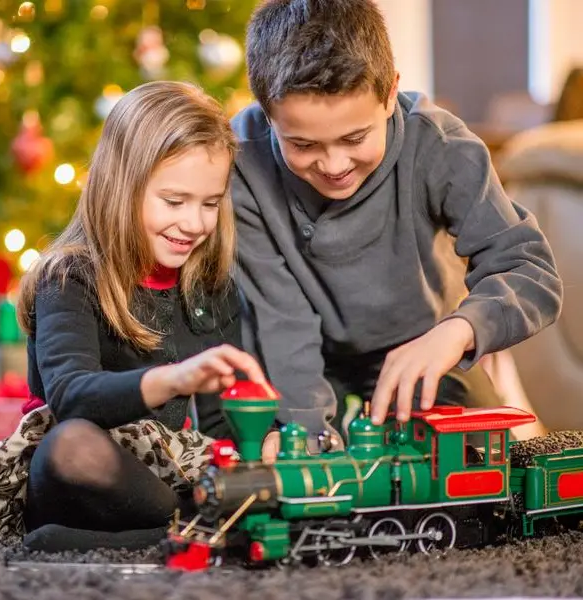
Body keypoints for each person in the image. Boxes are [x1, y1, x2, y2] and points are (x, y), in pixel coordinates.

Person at [229, 0, 563, 460]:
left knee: (480, 469)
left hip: (424, 349)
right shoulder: (242, 161)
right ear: (267, 115)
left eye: (354, 138)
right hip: (289, 361)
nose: (333, 164)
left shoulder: (442, 146)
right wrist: (306, 434)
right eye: (303, 144)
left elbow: (530, 271)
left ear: (390, 94)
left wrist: (459, 330)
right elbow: (281, 316)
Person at [14, 81, 267, 552]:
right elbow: (71, 396)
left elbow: (216, 429)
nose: (194, 223)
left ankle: (150, 534)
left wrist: (261, 443)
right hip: (85, 477)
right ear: (122, 185)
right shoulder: (69, 277)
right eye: (175, 202)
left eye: (209, 204)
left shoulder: (211, 287)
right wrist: (174, 379)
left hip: (169, 479)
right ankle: (192, 529)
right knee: (70, 445)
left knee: (255, 472)